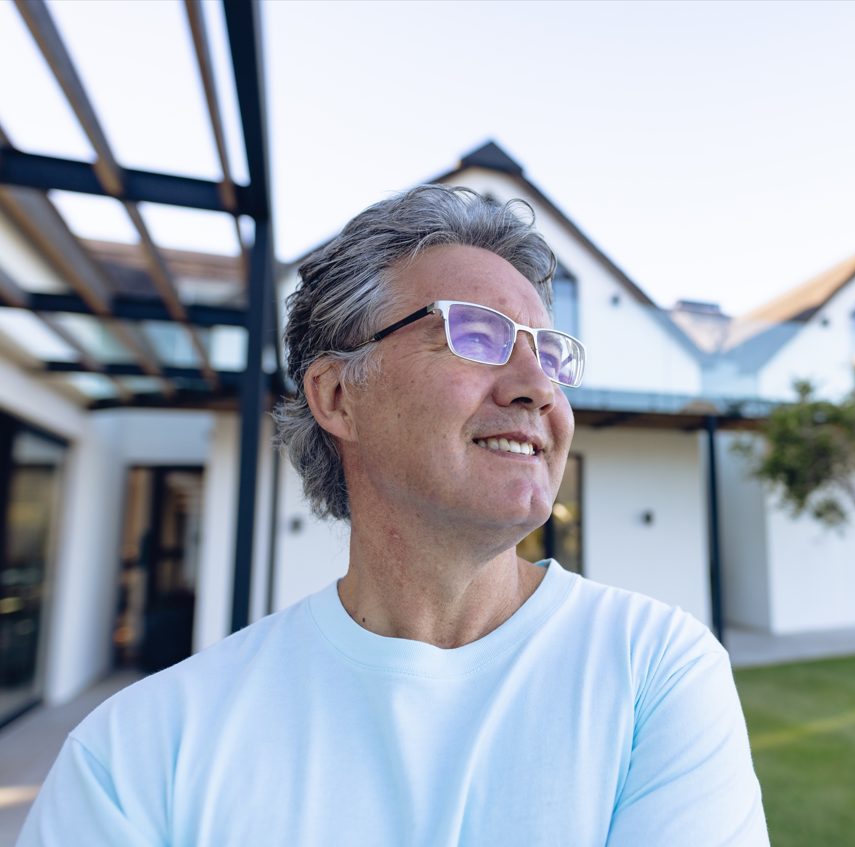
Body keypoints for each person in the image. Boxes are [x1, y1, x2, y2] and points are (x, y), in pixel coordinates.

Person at [19, 186, 769, 846]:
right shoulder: (141, 753)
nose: (538, 385)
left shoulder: (654, 672)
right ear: (338, 396)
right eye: (478, 334)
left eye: (550, 351)